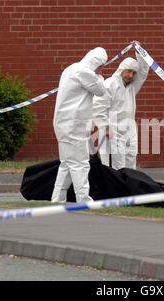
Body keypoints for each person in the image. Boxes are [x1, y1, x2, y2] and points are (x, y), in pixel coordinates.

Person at [51, 47, 107, 203]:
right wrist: (100, 76)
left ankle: (57, 198)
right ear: (96, 63)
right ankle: (83, 199)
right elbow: (101, 90)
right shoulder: (85, 73)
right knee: (80, 163)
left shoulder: (70, 69)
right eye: (101, 66)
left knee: (67, 163)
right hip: (74, 124)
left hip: (63, 123)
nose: (101, 70)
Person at [92, 41, 149, 170]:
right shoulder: (109, 84)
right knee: (115, 167)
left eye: (134, 73)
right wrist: (105, 127)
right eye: (129, 71)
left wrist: (139, 52)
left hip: (129, 130)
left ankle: (128, 190)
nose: (131, 75)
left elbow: (144, 72)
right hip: (113, 131)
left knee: (130, 165)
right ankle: (114, 190)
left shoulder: (131, 87)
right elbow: (97, 107)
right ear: (121, 69)